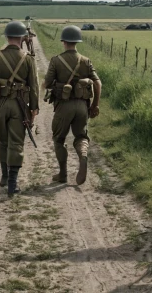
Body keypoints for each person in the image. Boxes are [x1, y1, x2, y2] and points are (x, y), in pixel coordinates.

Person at [0, 21, 39, 196]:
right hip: (19, 107)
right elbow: (34, 86)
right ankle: (13, 183)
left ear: (6, 36)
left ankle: (5, 176)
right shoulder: (27, 59)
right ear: (22, 38)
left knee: (2, 140)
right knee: (16, 143)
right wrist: (34, 109)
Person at [43, 25, 102, 185]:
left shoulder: (56, 60)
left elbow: (47, 83)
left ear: (63, 41)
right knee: (81, 136)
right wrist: (95, 105)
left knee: (58, 139)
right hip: (83, 106)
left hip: (64, 106)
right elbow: (98, 83)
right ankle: (83, 156)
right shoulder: (86, 60)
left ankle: (63, 174)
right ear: (77, 41)